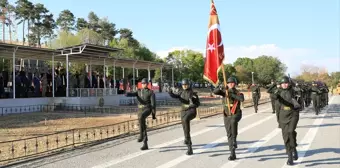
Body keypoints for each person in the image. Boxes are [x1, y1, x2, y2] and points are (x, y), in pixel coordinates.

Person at [213, 77, 244, 161]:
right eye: (229, 83)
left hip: (236, 113)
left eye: (232, 83)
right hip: (227, 114)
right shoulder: (224, 91)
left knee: (234, 121)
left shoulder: (238, 92)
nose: (231, 84)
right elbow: (215, 92)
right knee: (229, 133)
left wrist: (231, 94)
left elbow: (241, 99)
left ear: (235, 84)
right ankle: (232, 153)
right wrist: (220, 86)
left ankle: (234, 140)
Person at [273, 76, 300, 165]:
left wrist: (292, 83)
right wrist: (278, 121)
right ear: (280, 84)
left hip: (293, 114)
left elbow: (298, 93)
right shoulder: (278, 92)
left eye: (286, 83)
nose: (285, 84)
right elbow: (276, 108)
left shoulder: (293, 90)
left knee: (291, 131)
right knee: (286, 137)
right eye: (283, 83)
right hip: (283, 115)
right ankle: (290, 157)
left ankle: (294, 146)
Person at [168, 79, 200, 155]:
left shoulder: (193, 93)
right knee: (185, 127)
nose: (184, 86)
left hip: (191, 111)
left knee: (186, 121)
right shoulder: (181, 92)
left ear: (189, 85)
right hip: (183, 111)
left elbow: (198, 103)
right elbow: (174, 96)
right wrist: (170, 92)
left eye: (186, 84)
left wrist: (193, 105)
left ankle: (186, 138)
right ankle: (189, 148)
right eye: (183, 85)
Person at [125, 78, 156, 150]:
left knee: (141, 117)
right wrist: (127, 93)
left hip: (147, 109)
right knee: (142, 126)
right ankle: (145, 144)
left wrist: (153, 114)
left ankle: (141, 135)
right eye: (142, 83)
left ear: (147, 84)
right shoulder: (138, 91)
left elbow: (153, 104)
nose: (143, 85)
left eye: (144, 83)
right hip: (140, 110)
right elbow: (132, 94)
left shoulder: (150, 92)